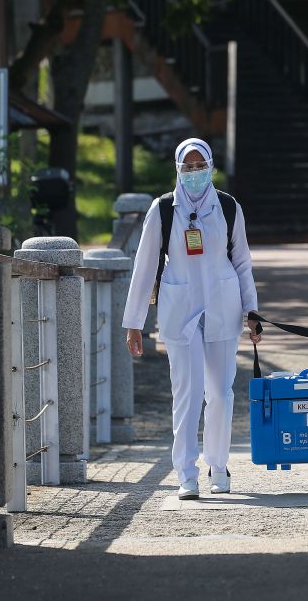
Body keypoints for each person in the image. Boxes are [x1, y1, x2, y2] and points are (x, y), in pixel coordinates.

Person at [122, 137, 262, 500]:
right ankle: (186, 472)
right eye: (189, 166)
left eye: (201, 166)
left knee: (219, 392)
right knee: (186, 392)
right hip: (180, 308)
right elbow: (145, 265)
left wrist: (252, 312)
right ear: (178, 169)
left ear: (211, 167)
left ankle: (218, 464)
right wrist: (134, 322)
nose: (195, 173)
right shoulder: (164, 209)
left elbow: (243, 262)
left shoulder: (228, 207)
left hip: (222, 306)